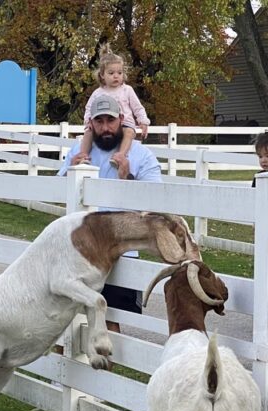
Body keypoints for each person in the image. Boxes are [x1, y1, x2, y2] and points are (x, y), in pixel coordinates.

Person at [58, 94, 162, 333]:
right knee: (68, 319)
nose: (105, 128)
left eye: (110, 120)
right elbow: (56, 193)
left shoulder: (140, 155)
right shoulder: (78, 150)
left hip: (123, 251)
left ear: (121, 120)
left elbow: (156, 203)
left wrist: (128, 179)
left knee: (113, 321)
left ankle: (111, 370)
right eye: (99, 121)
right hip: (80, 249)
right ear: (91, 124)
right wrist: (69, 170)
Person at [78, 44, 150, 169]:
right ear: (102, 75)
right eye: (111, 73)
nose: (116, 76)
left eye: (119, 73)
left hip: (125, 123)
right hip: (105, 126)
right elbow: (89, 108)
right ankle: (83, 156)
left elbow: (137, 108)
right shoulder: (98, 92)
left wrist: (143, 121)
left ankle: (120, 156)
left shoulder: (127, 90)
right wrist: (88, 121)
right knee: (88, 132)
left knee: (129, 132)